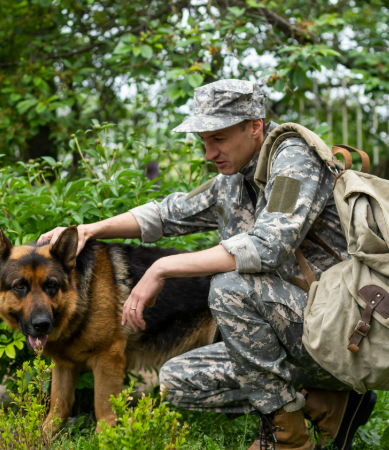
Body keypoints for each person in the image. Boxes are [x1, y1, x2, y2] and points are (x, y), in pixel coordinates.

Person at [38, 79, 376, 449]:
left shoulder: (294, 160)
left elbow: (268, 246)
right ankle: (326, 403)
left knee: (230, 288)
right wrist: (90, 228)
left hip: (340, 327)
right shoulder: (233, 179)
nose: (208, 153)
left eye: (218, 138)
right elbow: (165, 214)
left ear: (254, 127)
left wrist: (161, 268)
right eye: (203, 141)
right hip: (292, 329)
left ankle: (287, 439)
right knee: (177, 379)